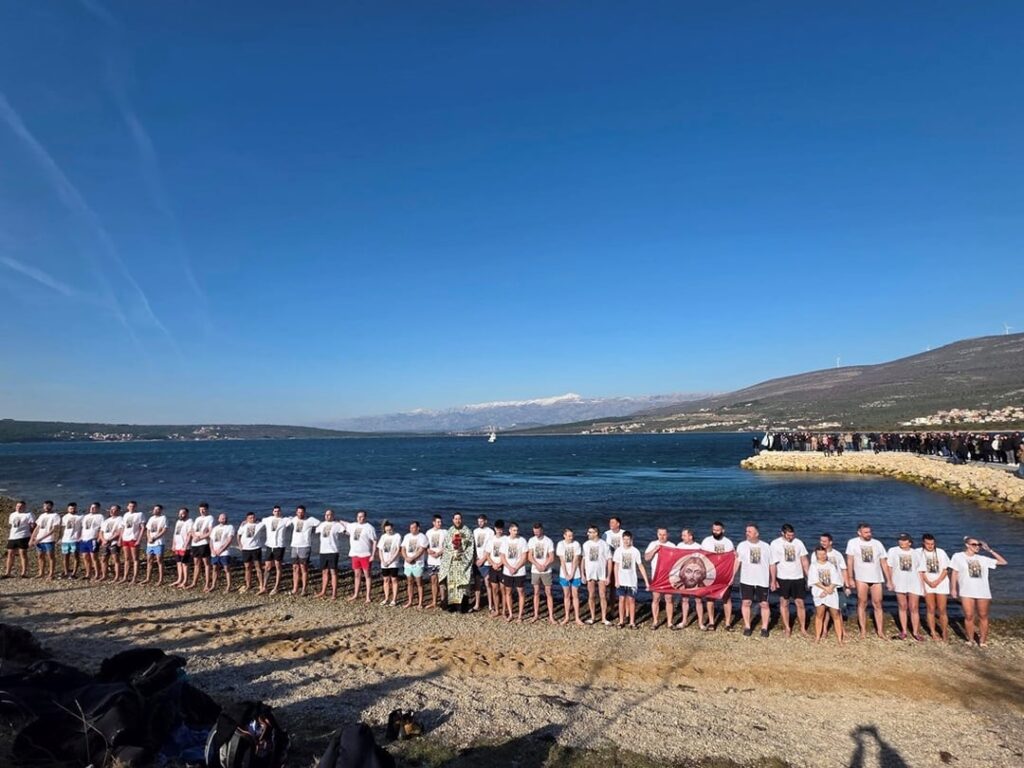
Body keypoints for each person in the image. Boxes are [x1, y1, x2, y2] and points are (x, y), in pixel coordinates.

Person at [950, 537, 1008, 648]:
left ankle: (982, 641)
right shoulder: (958, 556)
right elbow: (954, 573)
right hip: (966, 591)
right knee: (969, 616)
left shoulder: (983, 559)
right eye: (974, 544)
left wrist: (989, 550)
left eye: (978, 545)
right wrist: (953, 588)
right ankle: (970, 639)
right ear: (967, 545)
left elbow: (1003, 562)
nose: (977, 547)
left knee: (983, 616)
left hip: (983, 591)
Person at [845, 522, 893, 639]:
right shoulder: (852, 542)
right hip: (861, 578)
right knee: (862, 603)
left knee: (878, 604)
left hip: (876, 578)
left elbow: (883, 562)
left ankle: (880, 631)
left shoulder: (877, 543)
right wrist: (850, 578)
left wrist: (889, 580)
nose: (869, 534)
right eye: (866, 532)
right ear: (859, 533)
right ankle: (863, 631)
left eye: (870, 532)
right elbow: (850, 561)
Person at [769, 523, 810, 637]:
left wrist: (809, 577)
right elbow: (772, 563)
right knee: (784, 602)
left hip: (798, 577)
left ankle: (803, 628)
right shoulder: (775, 544)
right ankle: (787, 627)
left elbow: (804, 560)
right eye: (788, 535)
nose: (790, 537)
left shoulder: (798, 543)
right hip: (783, 577)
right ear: (782, 533)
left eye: (792, 535)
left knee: (800, 603)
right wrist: (773, 580)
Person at [734, 524, 771, 638]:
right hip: (746, 580)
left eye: (749, 531)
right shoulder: (742, 545)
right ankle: (747, 626)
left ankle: (764, 627)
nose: (747, 533)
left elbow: (772, 564)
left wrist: (773, 580)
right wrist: (732, 576)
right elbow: (737, 562)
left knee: (764, 604)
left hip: (762, 580)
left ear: (756, 534)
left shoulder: (766, 546)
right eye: (746, 531)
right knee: (746, 602)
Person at [887, 533, 924, 641]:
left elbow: (920, 570)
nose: (902, 542)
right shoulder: (893, 551)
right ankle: (903, 631)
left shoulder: (916, 553)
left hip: (914, 582)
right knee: (902, 606)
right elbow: (889, 567)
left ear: (910, 542)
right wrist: (889, 581)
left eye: (904, 540)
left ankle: (915, 632)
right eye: (900, 540)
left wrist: (923, 587)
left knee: (914, 607)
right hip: (899, 581)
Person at [807, 546, 844, 644]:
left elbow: (836, 580)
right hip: (819, 592)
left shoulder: (830, 565)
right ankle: (817, 637)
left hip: (831, 592)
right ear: (816, 555)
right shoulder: (814, 566)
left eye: (824, 554)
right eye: (820, 554)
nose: (822, 556)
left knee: (835, 615)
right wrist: (824, 589)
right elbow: (814, 580)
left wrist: (829, 589)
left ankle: (840, 639)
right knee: (820, 614)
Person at [701, 521, 735, 630]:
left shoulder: (728, 542)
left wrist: (733, 575)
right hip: (710, 574)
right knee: (710, 598)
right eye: (714, 530)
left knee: (726, 598)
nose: (715, 532)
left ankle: (728, 623)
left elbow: (733, 559)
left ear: (723, 530)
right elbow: (701, 557)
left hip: (725, 575)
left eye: (718, 530)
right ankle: (711, 622)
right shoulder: (706, 541)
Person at [612, 531, 649, 628]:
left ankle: (632, 622)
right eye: (624, 539)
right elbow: (616, 566)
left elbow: (640, 566)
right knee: (621, 599)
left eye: (628, 539)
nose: (626, 541)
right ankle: (621, 621)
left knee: (632, 600)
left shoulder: (635, 551)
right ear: (622, 539)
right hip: (621, 580)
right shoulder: (618, 551)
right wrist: (616, 580)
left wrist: (646, 581)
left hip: (632, 581)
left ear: (631, 540)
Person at [919, 533, 951, 641]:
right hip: (927, 583)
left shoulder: (941, 552)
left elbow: (946, 569)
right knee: (931, 608)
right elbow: (920, 571)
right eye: (928, 544)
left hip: (941, 583)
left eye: (932, 544)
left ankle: (944, 631)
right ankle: (933, 632)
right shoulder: (919, 553)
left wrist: (937, 581)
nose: (930, 546)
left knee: (942, 609)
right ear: (923, 543)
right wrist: (928, 582)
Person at [440, 513, 475, 613]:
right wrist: (451, 553)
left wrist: (462, 555)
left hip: (462, 562)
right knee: (452, 585)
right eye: (456, 519)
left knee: (462, 585)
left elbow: (470, 547)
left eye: (459, 519)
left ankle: (463, 607)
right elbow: (446, 546)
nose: (457, 521)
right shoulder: (450, 531)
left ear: (462, 520)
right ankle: (452, 606)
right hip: (452, 563)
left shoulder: (467, 531)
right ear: (453, 520)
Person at [644, 528, 676, 630]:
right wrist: (654, 550)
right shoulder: (653, 544)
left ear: (668, 535)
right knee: (656, 598)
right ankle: (655, 621)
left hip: (668, 577)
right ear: (657, 535)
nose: (662, 536)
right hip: (656, 576)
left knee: (669, 599)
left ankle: (670, 622)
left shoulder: (672, 545)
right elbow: (646, 558)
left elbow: (678, 560)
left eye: (664, 534)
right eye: (660, 534)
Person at [675, 528, 706, 629]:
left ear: (690, 536)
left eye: (684, 535)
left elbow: (705, 559)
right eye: (682, 535)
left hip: (696, 577)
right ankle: (684, 621)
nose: (682, 537)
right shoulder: (679, 546)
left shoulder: (699, 547)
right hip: (685, 577)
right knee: (684, 599)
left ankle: (701, 623)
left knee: (698, 600)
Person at [582, 525, 612, 625]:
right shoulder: (586, 544)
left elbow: (609, 560)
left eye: (590, 532)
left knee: (603, 595)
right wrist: (583, 574)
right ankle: (592, 617)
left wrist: (608, 575)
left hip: (602, 573)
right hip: (590, 573)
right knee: (591, 595)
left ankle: (604, 618)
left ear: (596, 533)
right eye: (588, 532)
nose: (588, 534)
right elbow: (583, 559)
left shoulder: (604, 544)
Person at [527, 522, 556, 624]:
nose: (536, 533)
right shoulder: (531, 540)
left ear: (542, 530)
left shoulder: (548, 541)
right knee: (536, 592)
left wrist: (544, 565)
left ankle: (551, 616)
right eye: (535, 532)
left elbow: (552, 557)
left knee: (548, 593)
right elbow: (530, 556)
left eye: (538, 531)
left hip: (546, 570)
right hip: (535, 570)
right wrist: (537, 565)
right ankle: (536, 614)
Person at [346, 510, 377, 604]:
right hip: (354, 554)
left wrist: (373, 554)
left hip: (365, 555)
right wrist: (337, 520)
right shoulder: (353, 525)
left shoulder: (369, 527)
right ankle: (356, 594)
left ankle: (368, 596)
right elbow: (345, 524)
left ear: (365, 517)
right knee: (357, 575)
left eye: (362, 516)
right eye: (358, 516)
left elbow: (375, 541)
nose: (360, 518)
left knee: (367, 575)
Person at [500, 522, 528, 622]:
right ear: (510, 530)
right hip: (507, 571)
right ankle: (511, 613)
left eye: (517, 530)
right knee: (508, 592)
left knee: (520, 591)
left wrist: (516, 568)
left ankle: (520, 615)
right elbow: (502, 556)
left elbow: (524, 557)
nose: (516, 532)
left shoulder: (522, 540)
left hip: (519, 571)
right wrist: (509, 567)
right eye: (514, 530)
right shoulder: (505, 541)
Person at [288, 506, 319, 596]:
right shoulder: (293, 519)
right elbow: (284, 520)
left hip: (304, 546)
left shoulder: (310, 520)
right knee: (295, 568)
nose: (300, 514)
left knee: (303, 568)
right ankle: (295, 588)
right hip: (294, 546)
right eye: (298, 512)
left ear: (304, 512)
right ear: (296, 512)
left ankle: (304, 589)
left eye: (302, 512)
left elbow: (320, 524)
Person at [260, 505, 291, 595]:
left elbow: (294, 520)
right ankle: (264, 587)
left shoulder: (285, 520)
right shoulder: (268, 519)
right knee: (268, 566)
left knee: (278, 566)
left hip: (279, 546)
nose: (277, 512)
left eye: (278, 511)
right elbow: (257, 522)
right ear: (273, 512)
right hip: (269, 545)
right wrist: (245, 522)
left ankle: (276, 587)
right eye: (275, 511)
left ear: (281, 512)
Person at [556, 528, 584, 626]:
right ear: (564, 535)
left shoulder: (576, 544)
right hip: (564, 574)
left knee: (575, 595)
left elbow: (576, 560)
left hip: (575, 573)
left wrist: (572, 573)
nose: (571, 537)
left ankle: (577, 617)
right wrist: (566, 574)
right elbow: (562, 561)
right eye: (569, 536)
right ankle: (567, 616)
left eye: (572, 535)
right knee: (566, 595)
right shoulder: (560, 544)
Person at [317, 510, 345, 600]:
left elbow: (345, 531)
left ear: (333, 515)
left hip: (333, 551)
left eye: (329, 515)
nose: (327, 516)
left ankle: (334, 593)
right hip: (323, 551)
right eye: (326, 515)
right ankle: (323, 591)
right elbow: (314, 531)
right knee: (324, 572)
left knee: (333, 572)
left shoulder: (337, 525)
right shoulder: (321, 525)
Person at [29, 500, 60, 580]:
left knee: (50, 556)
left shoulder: (55, 515)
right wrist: (32, 539)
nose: (46, 507)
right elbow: (37, 528)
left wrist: (40, 538)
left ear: (52, 506)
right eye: (44, 506)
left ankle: (51, 574)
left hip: (49, 539)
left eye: (48, 506)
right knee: (40, 556)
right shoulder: (42, 515)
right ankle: (41, 573)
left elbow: (54, 529)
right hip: (39, 539)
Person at [401, 520, 428, 609]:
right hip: (407, 563)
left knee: (419, 583)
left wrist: (412, 558)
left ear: (418, 528)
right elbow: (403, 549)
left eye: (413, 527)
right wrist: (406, 558)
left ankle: (420, 603)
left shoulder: (422, 537)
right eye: (410, 527)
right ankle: (410, 601)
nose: (411, 529)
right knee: (409, 582)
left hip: (418, 563)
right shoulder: (407, 536)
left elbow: (421, 550)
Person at [237, 512, 266, 594]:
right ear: (247, 519)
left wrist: (258, 519)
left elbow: (265, 520)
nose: (252, 519)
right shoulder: (243, 525)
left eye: (253, 517)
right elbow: (238, 535)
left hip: (256, 548)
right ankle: (248, 584)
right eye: (250, 518)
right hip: (246, 549)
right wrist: (239, 544)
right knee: (247, 567)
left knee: (258, 567)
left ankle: (261, 585)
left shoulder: (259, 524)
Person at [3, 500, 34, 578]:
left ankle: (23, 573)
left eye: (21, 506)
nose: (18, 508)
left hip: (23, 536)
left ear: (24, 507)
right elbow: (12, 525)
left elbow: (33, 526)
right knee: (10, 554)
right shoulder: (12, 514)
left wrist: (32, 537)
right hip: (12, 537)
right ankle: (8, 573)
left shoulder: (28, 514)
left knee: (23, 553)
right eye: (17, 506)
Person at [189, 503, 215, 591]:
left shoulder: (210, 518)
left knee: (206, 564)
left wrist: (200, 537)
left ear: (207, 509)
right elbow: (192, 530)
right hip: (195, 543)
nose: (202, 511)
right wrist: (194, 536)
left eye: (204, 509)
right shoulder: (197, 518)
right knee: (196, 563)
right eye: (200, 509)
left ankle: (207, 584)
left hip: (204, 543)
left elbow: (210, 531)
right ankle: (194, 582)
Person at [472, 515, 495, 612]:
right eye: (478, 521)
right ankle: (477, 604)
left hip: (486, 561)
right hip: (476, 560)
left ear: (485, 521)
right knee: (477, 583)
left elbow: (490, 548)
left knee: (487, 583)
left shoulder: (490, 532)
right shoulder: (475, 531)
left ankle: (490, 605)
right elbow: (473, 546)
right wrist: (475, 559)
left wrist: (483, 559)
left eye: (481, 521)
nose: (480, 523)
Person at [141, 505, 168, 586]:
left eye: (158, 509)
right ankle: (148, 578)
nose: (156, 511)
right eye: (155, 509)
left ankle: (161, 579)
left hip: (159, 542)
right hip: (150, 543)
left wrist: (155, 537)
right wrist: (149, 538)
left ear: (161, 510)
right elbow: (148, 530)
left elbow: (164, 530)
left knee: (159, 560)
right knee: (149, 560)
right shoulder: (151, 518)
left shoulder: (163, 518)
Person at [377, 520, 402, 606]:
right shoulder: (383, 537)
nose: (389, 531)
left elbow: (398, 550)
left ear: (392, 528)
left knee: (394, 579)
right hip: (384, 562)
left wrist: (391, 560)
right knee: (386, 580)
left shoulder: (397, 536)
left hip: (393, 562)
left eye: (390, 530)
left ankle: (394, 599)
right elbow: (380, 549)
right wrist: (383, 560)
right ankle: (386, 598)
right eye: (387, 530)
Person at [209, 513, 235, 593]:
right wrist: (212, 550)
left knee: (226, 568)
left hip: (224, 552)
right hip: (214, 552)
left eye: (224, 518)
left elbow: (229, 540)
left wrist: (222, 549)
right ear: (218, 519)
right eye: (221, 518)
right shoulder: (215, 528)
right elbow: (211, 540)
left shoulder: (230, 527)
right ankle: (213, 585)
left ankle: (228, 586)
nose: (223, 519)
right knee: (214, 568)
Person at [119, 501, 144, 584]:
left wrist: (139, 539)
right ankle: (125, 577)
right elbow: (123, 527)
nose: (131, 507)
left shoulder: (139, 514)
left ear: (136, 507)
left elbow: (142, 528)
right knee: (126, 558)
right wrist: (120, 538)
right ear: (127, 507)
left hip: (133, 538)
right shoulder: (126, 515)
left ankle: (134, 577)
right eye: (130, 506)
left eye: (133, 506)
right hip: (125, 538)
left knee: (135, 559)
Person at [425, 515, 446, 609]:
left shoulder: (444, 532)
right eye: (438, 522)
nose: (440, 524)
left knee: (442, 582)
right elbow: (426, 545)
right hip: (431, 561)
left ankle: (443, 600)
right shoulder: (428, 532)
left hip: (441, 561)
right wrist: (428, 550)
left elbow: (448, 546)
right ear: (433, 522)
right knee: (433, 581)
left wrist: (440, 553)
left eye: (440, 522)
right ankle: (434, 601)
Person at [97, 505, 124, 582]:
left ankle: (117, 577)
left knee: (116, 559)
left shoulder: (120, 519)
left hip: (113, 542)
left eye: (114, 510)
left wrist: (110, 539)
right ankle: (104, 575)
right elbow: (101, 532)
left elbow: (120, 531)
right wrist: (103, 540)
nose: (112, 511)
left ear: (118, 511)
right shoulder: (106, 521)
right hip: (105, 542)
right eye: (111, 509)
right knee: (103, 559)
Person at [79, 502, 104, 580]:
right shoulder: (86, 517)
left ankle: (97, 574)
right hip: (84, 539)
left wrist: (99, 538)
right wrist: (81, 537)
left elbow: (101, 528)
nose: (92, 509)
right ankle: (88, 573)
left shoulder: (100, 516)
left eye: (94, 507)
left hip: (92, 539)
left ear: (98, 508)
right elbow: (83, 527)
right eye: (91, 507)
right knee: (85, 557)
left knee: (94, 557)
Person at [487, 520, 507, 617]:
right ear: (495, 529)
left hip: (503, 566)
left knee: (503, 589)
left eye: (501, 529)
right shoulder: (491, 540)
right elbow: (487, 555)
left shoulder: (506, 539)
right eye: (498, 529)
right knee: (494, 589)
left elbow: (507, 555)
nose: (499, 531)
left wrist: (500, 564)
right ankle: (497, 610)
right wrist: (493, 564)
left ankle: (504, 610)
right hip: (493, 567)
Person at [171, 508, 194, 589]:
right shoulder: (178, 522)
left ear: (187, 514)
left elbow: (189, 534)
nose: (180, 515)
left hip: (184, 546)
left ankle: (185, 581)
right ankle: (179, 579)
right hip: (177, 545)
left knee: (185, 564)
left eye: (183, 513)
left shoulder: (189, 522)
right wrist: (173, 544)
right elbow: (175, 534)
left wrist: (186, 545)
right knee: (178, 563)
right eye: (180, 513)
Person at [59, 502, 82, 579]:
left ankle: (74, 573)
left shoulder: (80, 517)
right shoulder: (65, 517)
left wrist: (81, 537)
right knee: (65, 556)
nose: (72, 510)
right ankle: (66, 572)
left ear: (76, 508)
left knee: (76, 556)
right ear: (68, 509)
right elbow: (62, 528)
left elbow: (82, 527)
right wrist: (60, 537)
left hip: (75, 539)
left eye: (74, 508)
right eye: (71, 508)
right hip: (65, 539)